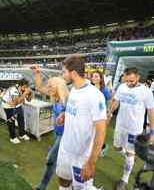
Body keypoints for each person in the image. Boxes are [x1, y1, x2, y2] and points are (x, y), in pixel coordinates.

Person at [56, 56, 107, 190]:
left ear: (73, 73)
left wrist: (91, 162)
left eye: (64, 72)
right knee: (63, 180)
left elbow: (101, 131)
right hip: (66, 148)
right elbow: (75, 111)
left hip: (81, 155)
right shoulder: (73, 90)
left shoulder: (95, 95)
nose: (62, 75)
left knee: (81, 187)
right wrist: (65, 115)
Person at [108, 67, 154, 190]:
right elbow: (116, 101)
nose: (129, 83)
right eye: (127, 80)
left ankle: (124, 179)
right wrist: (110, 111)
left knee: (130, 153)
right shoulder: (122, 87)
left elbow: (151, 111)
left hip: (134, 129)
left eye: (132, 80)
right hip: (120, 125)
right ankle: (130, 156)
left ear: (138, 77)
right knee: (117, 147)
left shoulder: (146, 91)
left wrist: (152, 131)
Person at [31, 66, 69, 190]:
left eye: (51, 85)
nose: (49, 88)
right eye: (49, 85)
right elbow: (39, 87)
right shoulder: (55, 96)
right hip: (57, 132)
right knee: (54, 162)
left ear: (59, 86)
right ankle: (43, 185)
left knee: (50, 159)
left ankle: (43, 186)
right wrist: (37, 74)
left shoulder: (68, 99)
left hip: (66, 135)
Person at [0, 80, 31, 144]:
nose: (25, 88)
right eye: (24, 87)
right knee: (11, 121)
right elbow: (15, 103)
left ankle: (22, 134)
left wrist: (30, 93)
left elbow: (29, 100)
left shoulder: (23, 89)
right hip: (8, 106)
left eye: (26, 87)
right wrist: (25, 93)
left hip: (17, 105)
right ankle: (13, 137)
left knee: (21, 119)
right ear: (20, 85)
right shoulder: (14, 90)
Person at [91, 71, 111, 157]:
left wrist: (108, 112)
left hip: (101, 115)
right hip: (91, 114)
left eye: (96, 76)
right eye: (93, 76)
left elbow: (109, 101)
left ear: (100, 78)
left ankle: (103, 147)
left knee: (99, 133)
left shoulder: (104, 89)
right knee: (91, 132)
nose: (94, 78)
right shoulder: (90, 88)